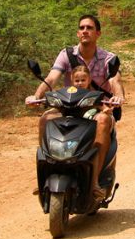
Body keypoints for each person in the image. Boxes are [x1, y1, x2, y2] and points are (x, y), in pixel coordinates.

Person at [27, 14, 124, 200]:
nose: (85, 31)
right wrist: (36, 96)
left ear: (98, 33)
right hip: (67, 108)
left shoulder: (107, 58)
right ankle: (44, 174)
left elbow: (115, 81)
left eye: (89, 28)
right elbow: (51, 78)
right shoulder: (67, 54)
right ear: (78, 33)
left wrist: (118, 97)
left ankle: (95, 181)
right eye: (81, 28)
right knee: (45, 119)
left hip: (97, 108)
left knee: (103, 121)